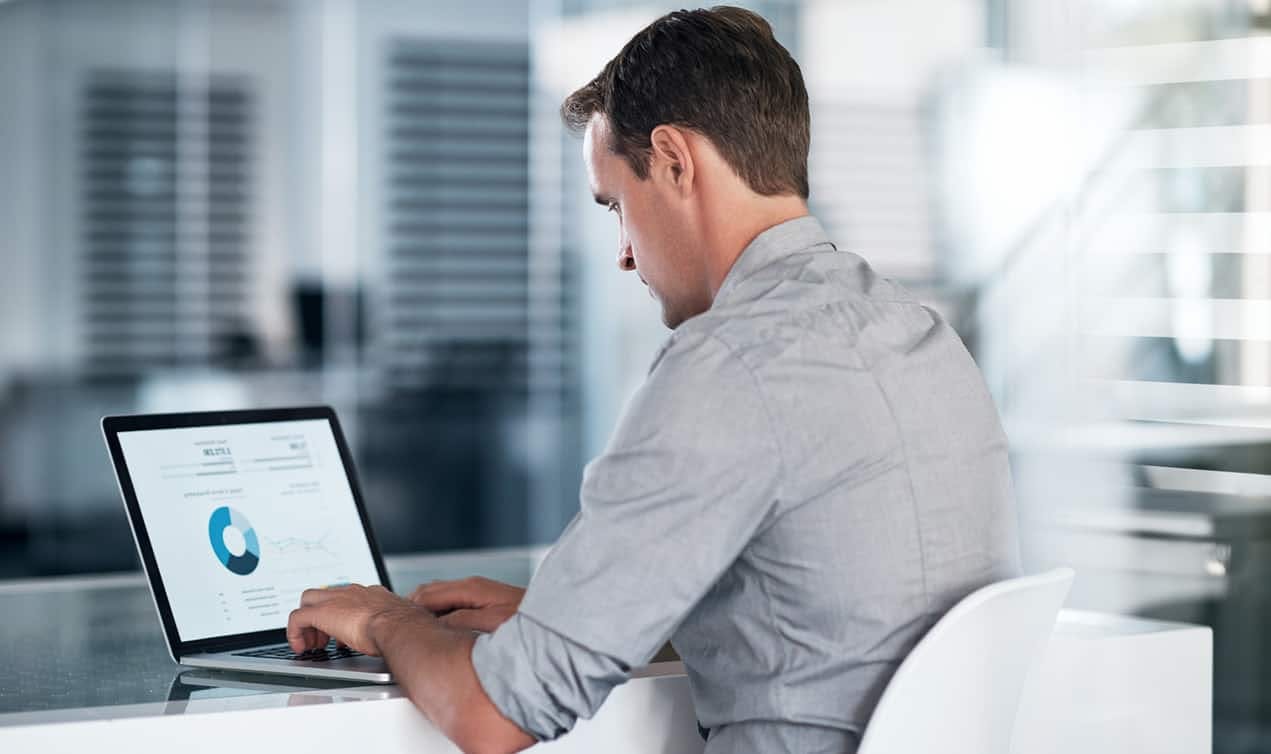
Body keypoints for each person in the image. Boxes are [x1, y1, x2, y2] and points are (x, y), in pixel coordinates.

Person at [285, 7, 1021, 754]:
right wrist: (567, 616)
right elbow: (829, 619)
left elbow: (491, 716)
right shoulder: (921, 338)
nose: (624, 256)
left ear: (673, 161)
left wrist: (388, 620)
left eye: (617, 206)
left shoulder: (731, 363)